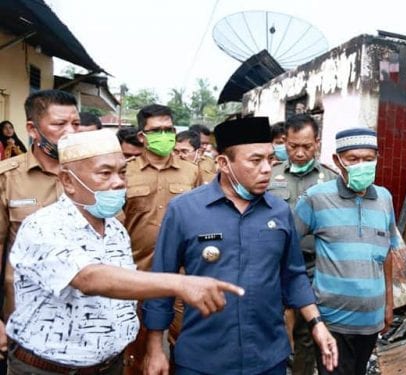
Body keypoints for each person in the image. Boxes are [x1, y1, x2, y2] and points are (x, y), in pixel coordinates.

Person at [5, 129, 244, 375]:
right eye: (105, 173)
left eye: (121, 172)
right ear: (68, 181)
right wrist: (179, 283)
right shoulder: (44, 225)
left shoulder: (116, 229)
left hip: (110, 366)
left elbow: (123, 294)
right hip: (48, 369)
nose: (119, 182)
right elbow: (89, 278)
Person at [142, 117, 338, 375]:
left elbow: (293, 275)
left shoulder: (278, 212)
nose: (267, 169)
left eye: (270, 159)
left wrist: (316, 324)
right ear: (223, 163)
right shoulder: (185, 210)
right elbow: (161, 282)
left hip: (267, 357)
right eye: (255, 161)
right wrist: (154, 348)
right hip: (203, 359)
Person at [294, 127, 400, 375]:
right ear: (337, 161)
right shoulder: (315, 199)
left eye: (368, 158)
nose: (361, 164)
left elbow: (387, 253)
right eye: (353, 159)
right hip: (331, 321)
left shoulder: (385, 198)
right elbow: (285, 245)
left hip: (371, 320)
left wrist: (389, 304)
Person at [0, 90, 82, 369]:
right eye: (59, 125)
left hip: (89, 328)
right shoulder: (8, 179)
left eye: (76, 124)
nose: (70, 132)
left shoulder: (95, 174)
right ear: (32, 129)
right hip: (28, 328)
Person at [122, 104, 202, 373]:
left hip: (183, 276)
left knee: (187, 345)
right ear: (142, 136)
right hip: (136, 276)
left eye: (169, 130)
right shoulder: (124, 172)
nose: (165, 135)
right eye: (157, 130)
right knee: (135, 350)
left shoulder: (191, 172)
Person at [267, 114, 338, 375]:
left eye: (306, 146)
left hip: (312, 266)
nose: (298, 153)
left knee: (308, 330)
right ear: (285, 142)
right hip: (273, 264)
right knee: (269, 323)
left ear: (317, 143)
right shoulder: (269, 176)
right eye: (292, 146)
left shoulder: (331, 180)